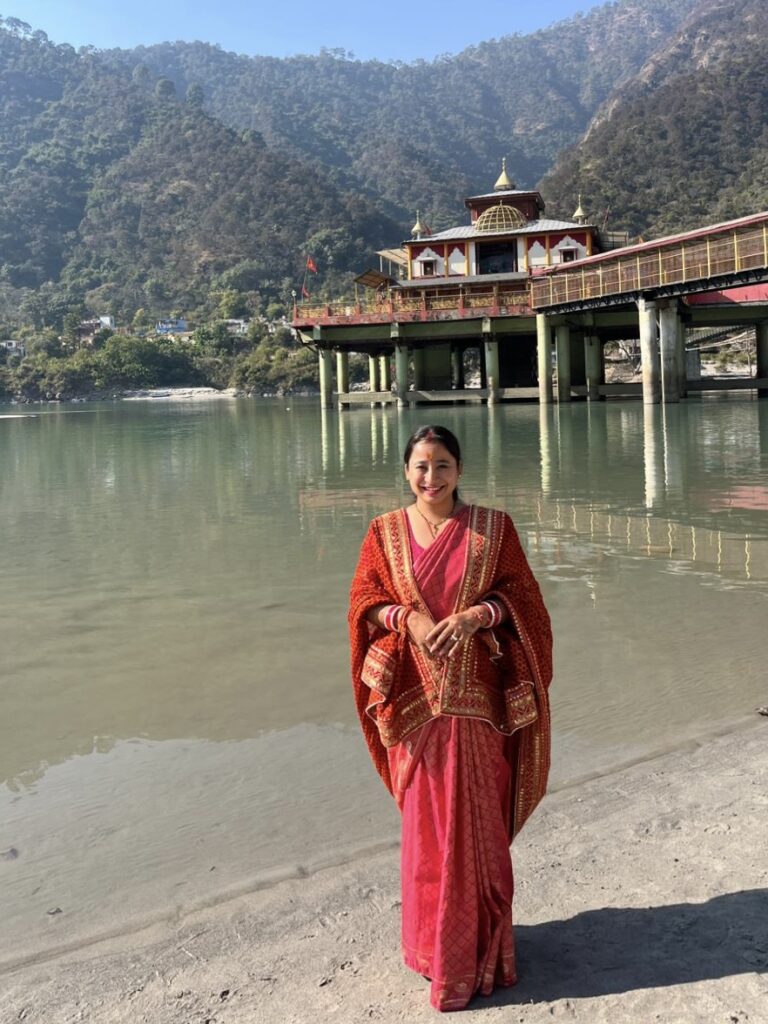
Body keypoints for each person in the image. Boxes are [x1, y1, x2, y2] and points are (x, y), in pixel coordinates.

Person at [349, 424, 552, 1012]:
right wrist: (405, 620)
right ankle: (432, 951)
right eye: (420, 467)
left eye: (441, 466)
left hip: (479, 705)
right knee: (427, 830)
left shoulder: (493, 530)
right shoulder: (383, 533)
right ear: (405, 471)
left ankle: (485, 951)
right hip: (415, 705)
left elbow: (526, 603)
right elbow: (364, 603)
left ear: (459, 471)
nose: (430, 479)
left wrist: (477, 617)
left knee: (479, 828)